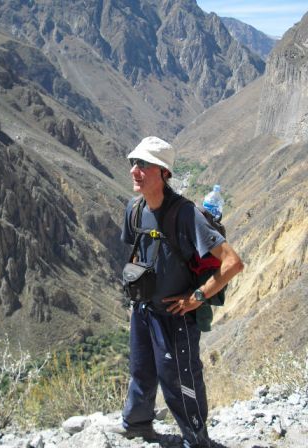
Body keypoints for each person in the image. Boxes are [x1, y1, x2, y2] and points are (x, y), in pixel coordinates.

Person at [117, 136, 244, 448]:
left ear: (164, 173)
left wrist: (196, 298)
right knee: (141, 371)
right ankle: (137, 425)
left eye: (144, 164)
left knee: (180, 381)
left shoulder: (186, 215)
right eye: (134, 163)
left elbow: (233, 263)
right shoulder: (134, 210)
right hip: (144, 310)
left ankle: (196, 440)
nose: (135, 170)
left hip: (176, 317)